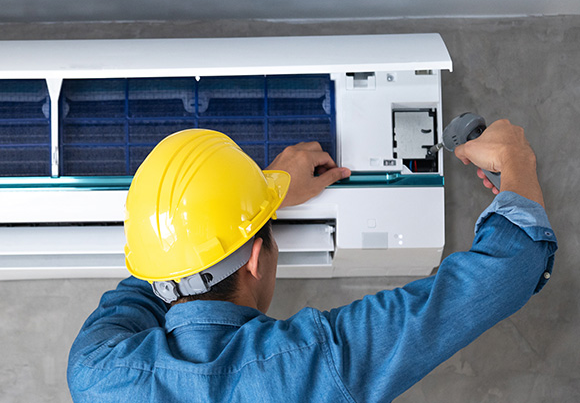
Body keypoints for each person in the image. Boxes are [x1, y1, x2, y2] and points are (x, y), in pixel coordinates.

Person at [67, 119, 557, 403]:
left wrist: (259, 197)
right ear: (257, 257)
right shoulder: (312, 363)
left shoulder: (95, 372)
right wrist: (517, 159)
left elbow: (153, 274)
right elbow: (512, 265)